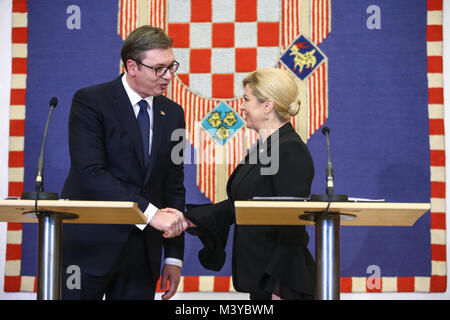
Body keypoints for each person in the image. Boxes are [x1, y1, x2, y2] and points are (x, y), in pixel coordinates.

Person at [60, 25, 188, 300]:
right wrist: (152, 214)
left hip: (142, 255)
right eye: (159, 69)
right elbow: (90, 173)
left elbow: (174, 186)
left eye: (171, 66)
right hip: (89, 246)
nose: (169, 76)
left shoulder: (174, 114)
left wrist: (173, 258)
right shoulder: (91, 101)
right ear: (132, 66)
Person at [167, 68, 316, 300]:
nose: (241, 106)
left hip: (280, 286)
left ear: (267, 106)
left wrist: (279, 288)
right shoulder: (267, 149)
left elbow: (291, 226)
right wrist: (190, 218)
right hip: (261, 281)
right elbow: (242, 205)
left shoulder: (289, 150)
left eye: (246, 99)